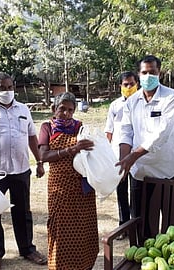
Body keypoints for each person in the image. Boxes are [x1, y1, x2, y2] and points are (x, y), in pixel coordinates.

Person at [0, 72, 47, 269]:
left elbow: (31, 137)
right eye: (2, 88)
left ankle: (27, 249)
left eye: (10, 87)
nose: (7, 91)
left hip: (20, 169)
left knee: (23, 212)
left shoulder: (23, 109)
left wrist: (39, 161)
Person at [116, 55, 174, 235]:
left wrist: (132, 156)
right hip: (140, 172)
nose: (148, 76)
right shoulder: (132, 101)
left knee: (171, 224)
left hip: (167, 169)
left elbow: (162, 133)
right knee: (141, 222)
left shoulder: (171, 96)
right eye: (144, 72)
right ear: (139, 74)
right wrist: (124, 161)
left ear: (159, 72)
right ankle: (143, 260)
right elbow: (126, 132)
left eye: (152, 72)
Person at [38, 92, 99, 269]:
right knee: (60, 227)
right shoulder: (47, 127)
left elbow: (93, 152)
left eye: (70, 110)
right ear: (53, 109)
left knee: (83, 227)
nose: (66, 114)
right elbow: (43, 155)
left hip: (82, 188)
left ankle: (84, 265)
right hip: (60, 187)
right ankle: (59, 265)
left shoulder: (80, 127)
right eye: (62, 109)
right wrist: (72, 149)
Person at [104, 71, 138, 240]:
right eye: (126, 84)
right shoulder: (115, 105)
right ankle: (123, 226)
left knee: (136, 191)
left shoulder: (141, 103)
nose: (129, 87)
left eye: (132, 84)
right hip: (118, 155)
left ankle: (135, 225)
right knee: (122, 191)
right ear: (120, 86)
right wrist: (104, 152)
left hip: (138, 156)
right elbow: (109, 131)